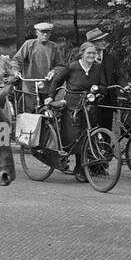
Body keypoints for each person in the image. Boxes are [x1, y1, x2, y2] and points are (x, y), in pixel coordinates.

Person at [45, 42, 104, 178]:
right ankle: (70, 162)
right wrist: (50, 96)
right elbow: (56, 81)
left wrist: (98, 89)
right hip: (73, 105)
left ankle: (81, 168)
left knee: (87, 134)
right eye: (88, 53)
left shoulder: (98, 68)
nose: (91, 55)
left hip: (89, 105)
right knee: (75, 136)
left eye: (94, 53)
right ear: (82, 53)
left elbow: (104, 85)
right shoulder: (72, 67)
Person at [13, 21, 62, 113]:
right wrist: (16, 70)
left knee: (46, 110)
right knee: (29, 110)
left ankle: (47, 126)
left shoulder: (54, 47)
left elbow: (60, 65)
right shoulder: (29, 44)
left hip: (47, 84)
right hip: (30, 84)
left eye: (48, 32)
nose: (45, 34)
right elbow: (17, 60)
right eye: (42, 32)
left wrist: (53, 71)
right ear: (36, 33)